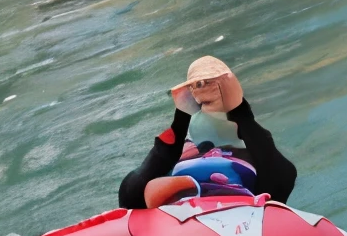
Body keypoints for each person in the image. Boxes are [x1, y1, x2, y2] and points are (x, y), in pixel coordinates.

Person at [118, 54, 297, 210]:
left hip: (232, 181)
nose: (203, 89)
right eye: (197, 86)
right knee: (137, 187)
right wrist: (182, 117)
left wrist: (236, 108)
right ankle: (198, 187)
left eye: (207, 84)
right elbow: (130, 195)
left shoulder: (251, 137)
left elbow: (283, 179)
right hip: (186, 180)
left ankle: (207, 187)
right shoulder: (181, 137)